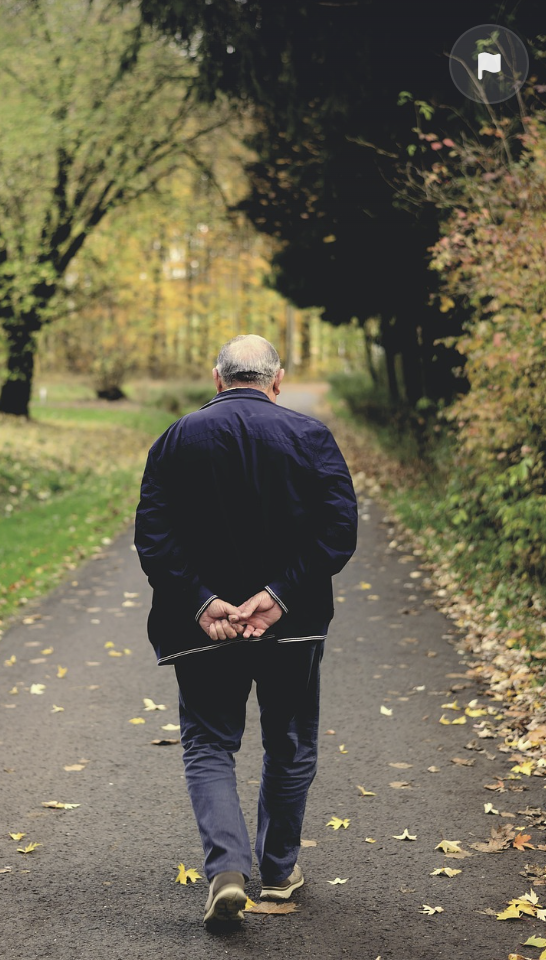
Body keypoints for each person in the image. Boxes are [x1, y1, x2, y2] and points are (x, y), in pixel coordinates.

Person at [134, 334, 357, 928]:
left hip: (205, 629)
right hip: (292, 623)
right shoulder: (310, 437)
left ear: (218, 379)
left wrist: (204, 601)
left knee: (209, 744)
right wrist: (280, 594)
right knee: (289, 743)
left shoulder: (177, 438)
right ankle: (279, 874)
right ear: (276, 381)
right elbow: (338, 532)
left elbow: (153, 539)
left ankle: (228, 871)